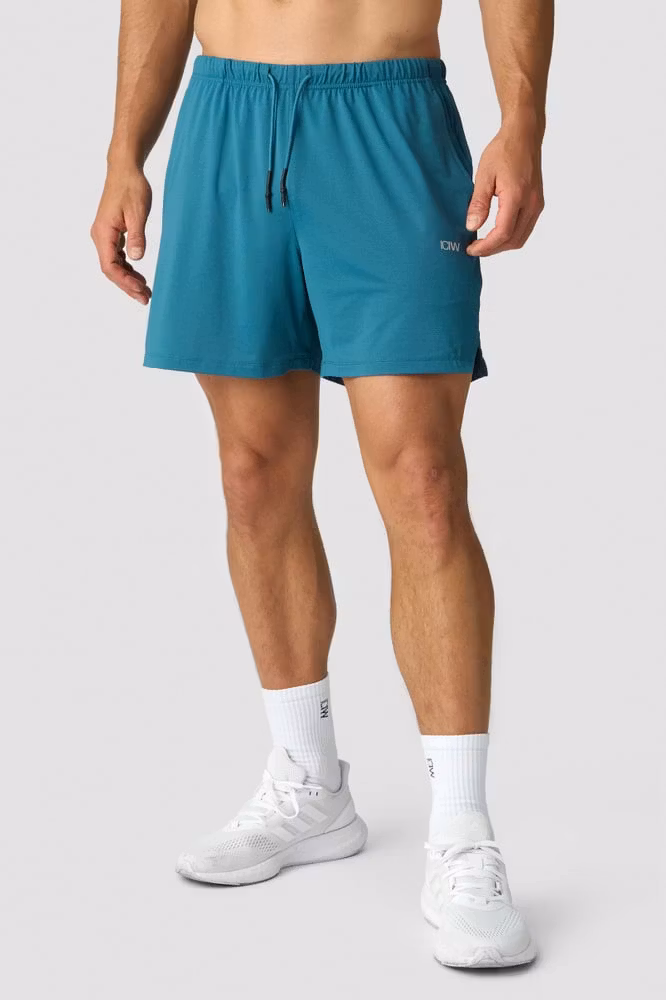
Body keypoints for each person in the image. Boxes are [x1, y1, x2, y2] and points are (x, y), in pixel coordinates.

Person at [91, 0, 553, 970]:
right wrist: (124, 150)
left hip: (386, 116)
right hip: (227, 120)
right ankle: (310, 782)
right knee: (251, 473)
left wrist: (523, 122)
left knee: (424, 478)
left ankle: (462, 831)